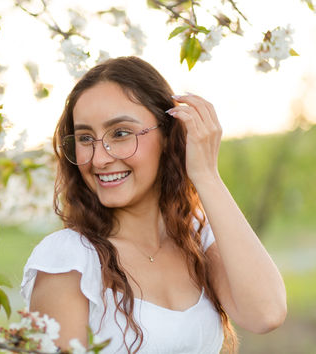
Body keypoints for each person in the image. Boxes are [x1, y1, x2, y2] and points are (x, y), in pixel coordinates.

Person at [20, 56, 287, 353]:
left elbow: (266, 313)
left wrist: (206, 176)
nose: (99, 158)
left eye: (120, 133)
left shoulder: (196, 236)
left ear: (168, 135)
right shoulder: (69, 258)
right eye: (85, 138)